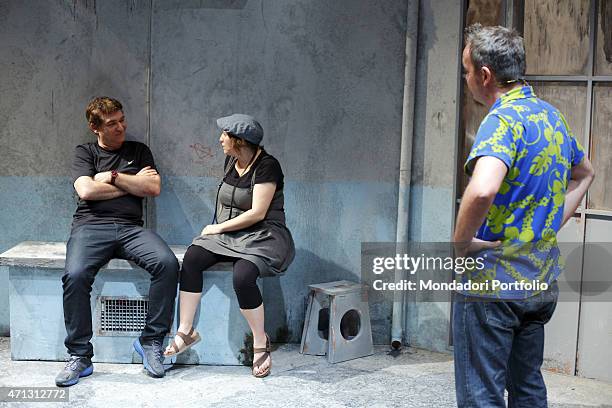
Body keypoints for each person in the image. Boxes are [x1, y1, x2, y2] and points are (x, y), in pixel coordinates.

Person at [453, 24, 595, 407]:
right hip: (538, 285)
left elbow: (483, 188)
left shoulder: (502, 121)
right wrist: (552, 221)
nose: (466, 79)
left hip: (492, 285)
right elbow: (586, 173)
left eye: (466, 71)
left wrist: (460, 243)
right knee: (527, 388)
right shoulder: (552, 118)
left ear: (485, 75)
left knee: (481, 394)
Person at [55, 97, 179, 386]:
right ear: (95, 127)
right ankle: (80, 356)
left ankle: (150, 342)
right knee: (74, 275)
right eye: (112, 124)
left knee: (167, 264)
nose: (121, 127)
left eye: (122, 120)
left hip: (130, 229)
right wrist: (130, 185)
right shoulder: (84, 153)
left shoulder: (139, 150)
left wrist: (110, 177)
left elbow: (153, 187)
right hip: (90, 227)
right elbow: (85, 191)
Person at [163, 114, 295, 378]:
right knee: (192, 257)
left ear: (240, 141)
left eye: (225, 135)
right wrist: (218, 232)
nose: (220, 139)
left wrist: (218, 228)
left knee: (243, 276)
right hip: (231, 234)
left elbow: (258, 212)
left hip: (263, 235)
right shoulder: (231, 161)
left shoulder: (267, 166)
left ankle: (260, 341)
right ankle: (186, 331)